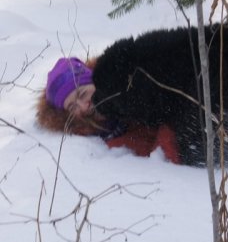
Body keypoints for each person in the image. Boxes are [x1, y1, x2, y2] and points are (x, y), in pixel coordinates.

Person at [36, 57, 180, 164]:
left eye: (83, 94)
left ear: (95, 82)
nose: (83, 106)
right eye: (72, 107)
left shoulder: (130, 91)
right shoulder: (92, 142)